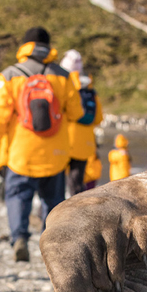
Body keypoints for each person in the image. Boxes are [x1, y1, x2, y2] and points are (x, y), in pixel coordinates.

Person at [0, 27, 84, 261]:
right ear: (48, 46)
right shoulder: (63, 75)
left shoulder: (8, 75)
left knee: (18, 196)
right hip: (56, 153)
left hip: (21, 153)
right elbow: (77, 113)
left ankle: (19, 238)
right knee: (53, 201)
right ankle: (53, 246)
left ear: (25, 45)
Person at [59, 50, 103, 197]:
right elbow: (98, 119)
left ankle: (49, 214)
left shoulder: (64, 84)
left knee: (57, 182)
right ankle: (77, 215)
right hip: (85, 144)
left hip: (65, 141)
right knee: (77, 183)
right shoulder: (90, 89)